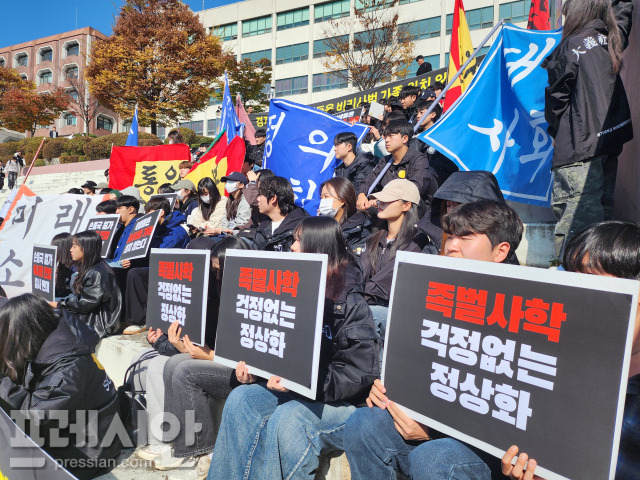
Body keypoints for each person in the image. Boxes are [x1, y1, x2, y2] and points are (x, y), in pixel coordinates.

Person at [343, 199, 524, 480]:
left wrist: (432, 433)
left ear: (500, 251)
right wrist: (387, 392)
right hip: (429, 426)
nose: (451, 245)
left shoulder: (529, 312)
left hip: (491, 454)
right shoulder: (429, 294)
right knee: (363, 422)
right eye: (451, 236)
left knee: (436, 458)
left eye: (466, 237)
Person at [208, 216, 380, 480]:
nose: (292, 247)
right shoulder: (288, 290)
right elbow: (279, 350)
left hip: (341, 403)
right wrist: (256, 371)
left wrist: (305, 381)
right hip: (298, 390)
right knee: (242, 399)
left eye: (299, 240)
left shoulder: (350, 303)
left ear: (317, 247)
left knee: (289, 418)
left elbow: (359, 373)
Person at [136, 237, 251, 473]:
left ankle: (199, 448)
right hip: (220, 362)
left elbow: (246, 356)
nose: (215, 277)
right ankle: (174, 440)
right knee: (166, 364)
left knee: (183, 370)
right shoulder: (216, 296)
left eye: (219, 271)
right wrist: (174, 344)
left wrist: (208, 356)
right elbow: (203, 345)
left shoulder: (250, 299)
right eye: (214, 271)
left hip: (243, 374)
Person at [542, 0, 633, 259]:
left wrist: (555, 131)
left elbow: (556, 98)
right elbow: (623, 17)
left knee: (576, 233)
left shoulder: (571, 45)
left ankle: (573, 291)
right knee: (601, 229)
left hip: (578, 152)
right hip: (607, 146)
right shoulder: (611, 40)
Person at [0, 294, 122, 479]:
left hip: (89, 452)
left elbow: (34, 419)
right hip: (77, 430)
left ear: (25, 333)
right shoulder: (56, 338)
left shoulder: (67, 369)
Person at [360, 179, 420, 349]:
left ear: (406, 206)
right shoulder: (373, 239)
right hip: (370, 310)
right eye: (380, 199)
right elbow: (360, 275)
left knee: (364, 315)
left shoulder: (417, 243)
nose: (381, 203)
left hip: (397, 316)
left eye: (388, 199)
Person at [122, 197, 190, 333]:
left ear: (161, 213)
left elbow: (161, 254)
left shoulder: (177, 232)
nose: (147, 216)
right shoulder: (157, 229)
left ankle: (140, 320)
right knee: (128, 270)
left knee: (136, 274)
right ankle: (128, 316)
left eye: (150, 212)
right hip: (155, 266)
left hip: (171, 271)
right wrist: (132, 259)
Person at [51, 231, 122, 338]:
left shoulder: (98, 273)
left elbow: (84, 302)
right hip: (90, 316)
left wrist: (59, 304)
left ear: (86, 248)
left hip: (98, 324)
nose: (70, 250)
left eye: (74, 246)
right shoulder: (91, 267)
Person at [357, 120, 434, 211]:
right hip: (385, 209)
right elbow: (368, 180)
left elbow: (415, 188)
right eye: (385, 136)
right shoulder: (385, 161)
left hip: (410, 211)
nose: (387, 140)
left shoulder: (418, 160)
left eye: (391, 136)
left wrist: (383, 199)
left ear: (404, 139)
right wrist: (361, 195)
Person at [252, 176, 309, 251]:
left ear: (273, 198)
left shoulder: (302, 228)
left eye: (260, 195)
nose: (257, 199)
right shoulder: (262, 227)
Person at [319, 177, 372, 253]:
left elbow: (354, 259)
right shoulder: (322, 225)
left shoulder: (359, 229)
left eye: (326, 196)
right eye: (321, 198)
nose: (323, 201)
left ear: (342, 200)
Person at [51, 232, 74, 299]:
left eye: (54, 248)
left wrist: (56, 302)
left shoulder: (74, 269)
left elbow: (76, 297)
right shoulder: (62, 265)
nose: (52, 251)